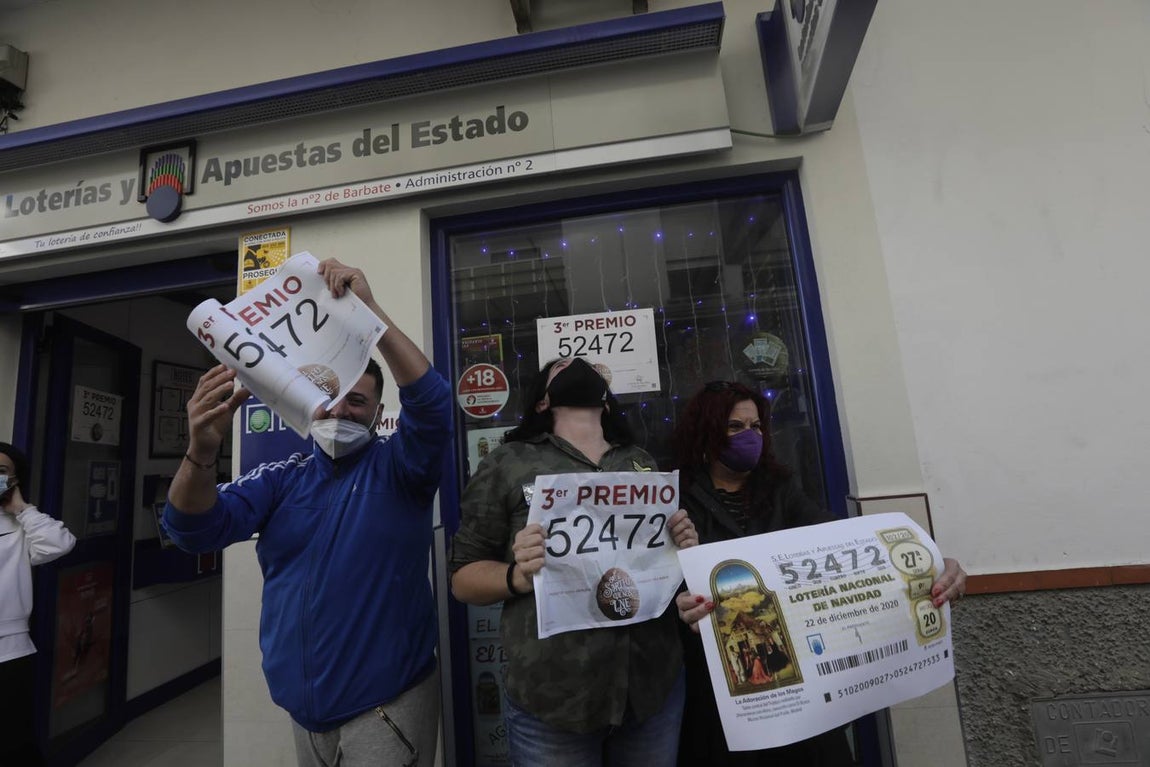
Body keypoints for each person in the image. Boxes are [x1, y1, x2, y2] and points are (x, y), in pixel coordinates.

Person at [163, 258, 452, 767]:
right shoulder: (279, 478)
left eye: (357, 403)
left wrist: (371, 315)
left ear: (379, 413)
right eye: (330, 396)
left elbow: (431, 402)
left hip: (388, 702)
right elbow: (192, 530)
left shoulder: (402, 469)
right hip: (302, 708)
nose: (341, 410)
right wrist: (201, 452)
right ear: (307, 401)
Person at [670, 381, 968, 767]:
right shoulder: (677, 498)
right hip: (720, 691)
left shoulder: (780, 488)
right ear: (707, 431)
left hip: (798, 684)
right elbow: (663, 587)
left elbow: (843, 545)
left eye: (756, 426)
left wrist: (930, 565)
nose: (749, 436)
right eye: (734, 427)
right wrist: (681, 605)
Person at [449, 357, 699, 767]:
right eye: (562, 365)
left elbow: (658, 571)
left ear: (606, 400)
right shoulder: (507, 463)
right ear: (543, 401)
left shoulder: (641, 463)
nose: (578, 363)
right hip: (553, 698)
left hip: (652, 689)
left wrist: (683, 549)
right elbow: (462, 579)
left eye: (586, 365)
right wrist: (519, 575)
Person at [1, 442, 77, 767]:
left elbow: (60, 544)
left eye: (2, 472)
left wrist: (21, 509)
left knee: (13, 744)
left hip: (9, 650)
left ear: (15, 481)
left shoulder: (21, 527)